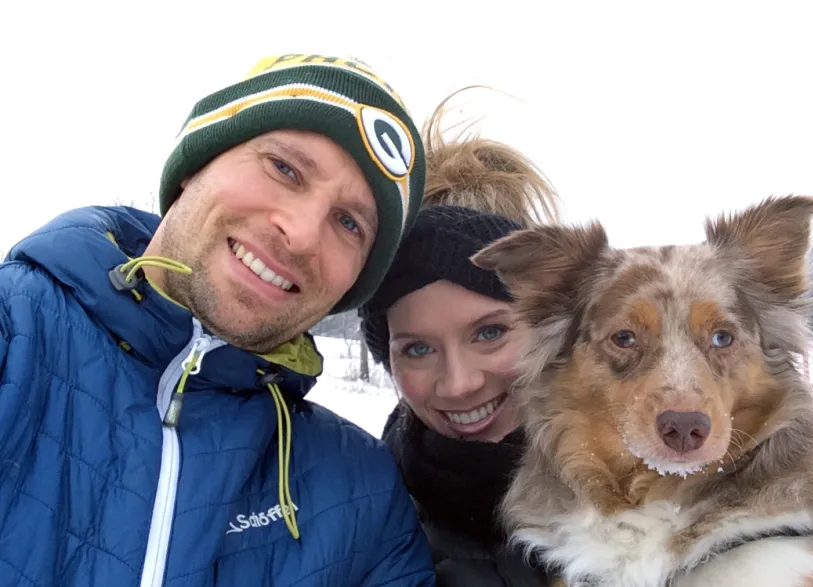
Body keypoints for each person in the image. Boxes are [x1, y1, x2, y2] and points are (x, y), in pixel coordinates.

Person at [0, 53, 437, 586]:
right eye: (284, 168)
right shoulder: (15, 332)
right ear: (194, 166)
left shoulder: (363, 496)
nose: (301, 233)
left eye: (348, 223)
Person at [359, 90, 563, 587]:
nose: (458, 385)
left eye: (490, 332)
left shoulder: (664, 481)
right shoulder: (361, 519)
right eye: (418, 348)